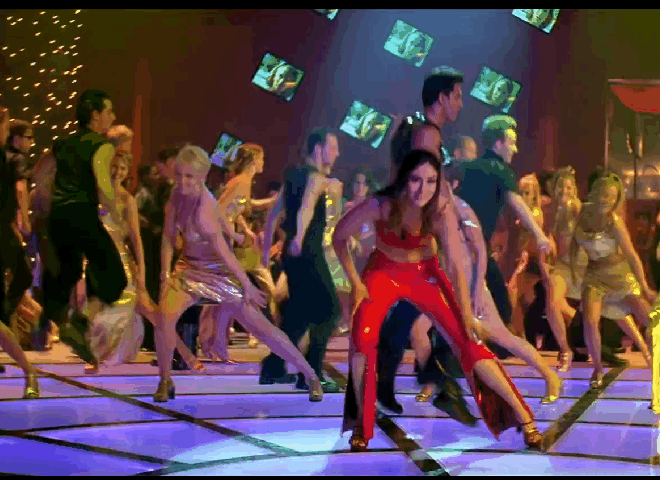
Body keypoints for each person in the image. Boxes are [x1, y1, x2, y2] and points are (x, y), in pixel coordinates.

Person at [334, 149, 541, 451]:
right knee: (362, 337)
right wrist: (355, 282)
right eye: (416, 180)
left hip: (425, 274)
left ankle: (525, 419)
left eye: (431, 181)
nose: (423, 189)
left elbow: (456, 264)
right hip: (383, 271)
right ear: (404, 179)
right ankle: (360, 427)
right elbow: (339, 236)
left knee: (468, 340)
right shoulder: (381, 204)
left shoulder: (441, 209)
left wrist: (466, 311)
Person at [152, 145, 323, 402]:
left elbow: (225, 254)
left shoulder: (204, 209)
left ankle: (310, 375)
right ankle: (165, 381)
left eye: (189, 177)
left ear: (202, 177)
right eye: (179, 175)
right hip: (188, 268)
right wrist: (165, 274)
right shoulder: (176, 196)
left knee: (262, 328)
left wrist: (247, 286)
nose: (182, 182)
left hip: (219, 271)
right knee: (164, 316)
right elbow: (168, 236)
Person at [376, 68, 474, 425]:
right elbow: (430, 182)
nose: (461, 103)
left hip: (405, 227)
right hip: (417, 229)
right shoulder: (427, 133)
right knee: (444, 299)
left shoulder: (412, 127)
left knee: (410, 306)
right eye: (457, 96)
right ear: (442, 98)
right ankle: (439, 380)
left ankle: (397, 380)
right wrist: (450, 223)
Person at [34, 90, 127, 364]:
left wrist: (45, 199)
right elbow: (103, 183)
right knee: (114, 276)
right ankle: (81, 322)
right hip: (82, 214)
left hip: (57, 216)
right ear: (95, 115)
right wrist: (117, 217)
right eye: (109, 111)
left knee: (68, 273)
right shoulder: (102, 145)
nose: (112, 117)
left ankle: (54, 324)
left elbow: (41, 170)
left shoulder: (62, 143)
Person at [259, 128, 343, 394]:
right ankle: (311, 372)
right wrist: (298, 237)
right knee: (331, 309)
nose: (337, 153)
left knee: (298, 314)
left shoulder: (293, 175)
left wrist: (266, 249)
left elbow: (273, 213)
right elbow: (306, 207)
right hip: (307, 251)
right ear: (318, 148)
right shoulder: (316, 178)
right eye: (333, 147)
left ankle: (273, 366)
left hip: (293, 254)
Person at [571, 172, 656, 387]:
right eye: (605, 195)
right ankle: (597, 368)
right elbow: (574, 242)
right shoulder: (583, 212)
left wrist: (644, 286)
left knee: (649, 318)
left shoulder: (614, 222)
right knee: (590, 321)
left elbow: (632, 256)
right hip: (594, 274)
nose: (607, 201)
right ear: (596, 192)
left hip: (618, 274)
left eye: (612, 197)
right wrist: (573, 269)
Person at [198, 143, 279, 360]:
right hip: (221, 242)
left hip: (223, 241)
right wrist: (233, 234)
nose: (263, 163)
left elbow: (240, 206)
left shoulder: (242, 182)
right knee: (226, 296)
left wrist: (267, 205)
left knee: (222, 296)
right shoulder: (242, 181)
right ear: (253, 161)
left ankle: (212, 344)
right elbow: (220, 211)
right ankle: (215, 345)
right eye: (261, 159)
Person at [0, 104, 40, 396]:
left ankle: (29, 371)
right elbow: (18, 189)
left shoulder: (10, 158)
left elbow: (18, 189)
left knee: (22, 278)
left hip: (3, 231)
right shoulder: (11, 158)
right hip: (4, 231)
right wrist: (22, 220)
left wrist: (19, 221)